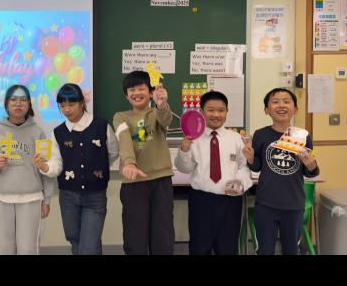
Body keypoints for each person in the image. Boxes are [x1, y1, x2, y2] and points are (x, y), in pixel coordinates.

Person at [35, 83, 119, 255]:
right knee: (75, 240)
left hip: (95, 195)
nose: (66, 109)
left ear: (82, 103)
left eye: (71, 104)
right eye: (62, 105)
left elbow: (113, 153)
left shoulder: (102, 126)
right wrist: (45, 167)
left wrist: (97, 167)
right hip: (68, 196)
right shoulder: (58, 133)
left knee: (89, 245)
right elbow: (57, 163)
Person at [0, 84, 54, 255]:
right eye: (13, 99)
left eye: (23, 100)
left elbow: (46, 168)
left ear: (29, 104)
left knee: (28, 248)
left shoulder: (38, 132)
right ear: (6, 104)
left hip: (31, 197)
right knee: (5, 248)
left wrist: (47, 200)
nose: (18, 104)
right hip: (1, 196)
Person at [242, 88, 320, 255]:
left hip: (294, 204)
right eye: (275, 101)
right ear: (266, 110)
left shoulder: (303, 136)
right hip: (266, 204)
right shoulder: (260, 134)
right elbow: (257, 166)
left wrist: (311, 165)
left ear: (295, 109)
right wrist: (250, 159)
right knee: (265, 250)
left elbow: (310, 172)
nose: (281, 105)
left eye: (286, 101)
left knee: (291, 250)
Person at [175, 91, 252, 255]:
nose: (216, 115)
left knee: (227, 248)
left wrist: (240, 182)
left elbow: (244, 166)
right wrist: (184, 149)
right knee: (199, 247)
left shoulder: (236, 138)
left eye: (221, 110)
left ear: (227, 112)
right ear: (201, 112)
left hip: (230, 202)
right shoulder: (193, 138)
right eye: (211, 110)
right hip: (201, 201)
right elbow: (184, 168)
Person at [113, 70, 174, 255]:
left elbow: (166, 119)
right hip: (133, 183)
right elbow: (124, 139)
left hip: (160, 180)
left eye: (141, 88)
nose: (136, 93)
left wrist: (161, 105)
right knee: (135, 236)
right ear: (126, 95)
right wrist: (129, 163)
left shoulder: (157, 113)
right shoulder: (120, 117)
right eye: (132, 90)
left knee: (162, 235)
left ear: (150, 92)